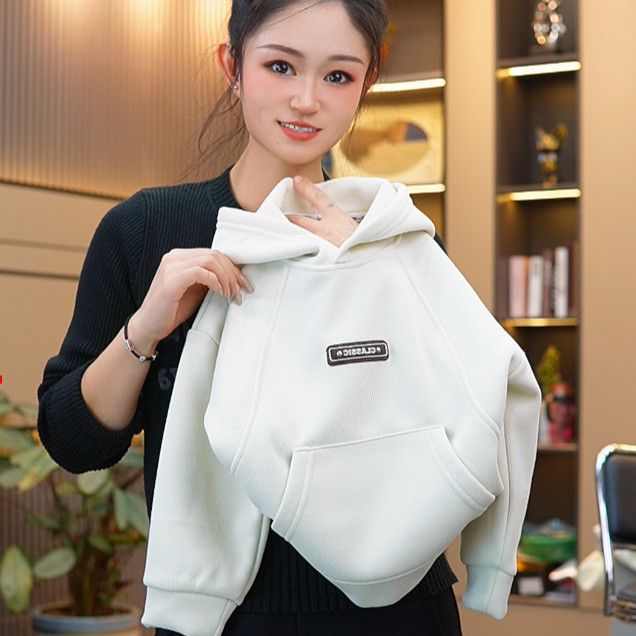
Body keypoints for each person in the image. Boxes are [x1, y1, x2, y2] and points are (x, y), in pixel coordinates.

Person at [37, 1, 462, 634]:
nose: (306, 100)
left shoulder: (395, 240)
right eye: (281, 66)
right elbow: (72, 442)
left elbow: (453, 428)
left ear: (365, 84)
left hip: (398, 610)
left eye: (338, 76)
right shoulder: (144, 229)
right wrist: (146, 327)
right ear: (231, 66)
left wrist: (369, 279)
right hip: (217, 618)